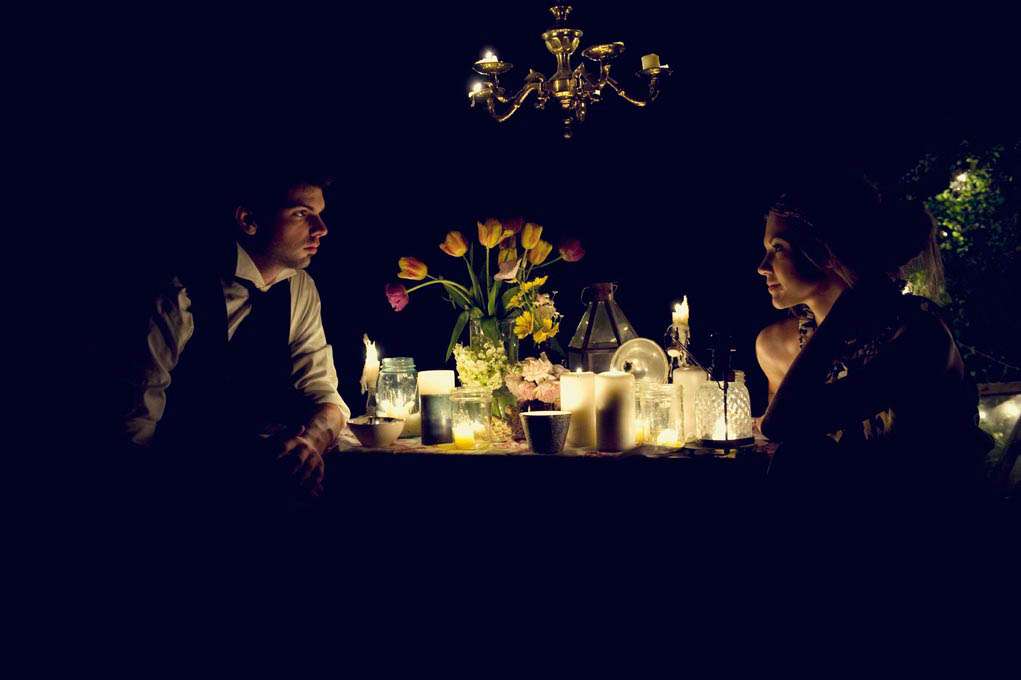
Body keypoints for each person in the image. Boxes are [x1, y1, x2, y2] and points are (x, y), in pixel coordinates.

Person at [753, 174, 991, 515]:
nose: (762, 268)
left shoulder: (918, 336)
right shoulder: (776, 345)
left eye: (778, 248)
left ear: (827, 251)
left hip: (929, 518)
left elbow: (782, 423)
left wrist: (846, 308)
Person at [117, 172, 350, 504]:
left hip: (271, 485)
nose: (321, 228)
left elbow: (323, 393)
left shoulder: (300, 288)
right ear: (249, 220)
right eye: (301, 213)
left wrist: (310, 444)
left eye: (320, 213)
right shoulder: (180, 291)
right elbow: (134, 425)